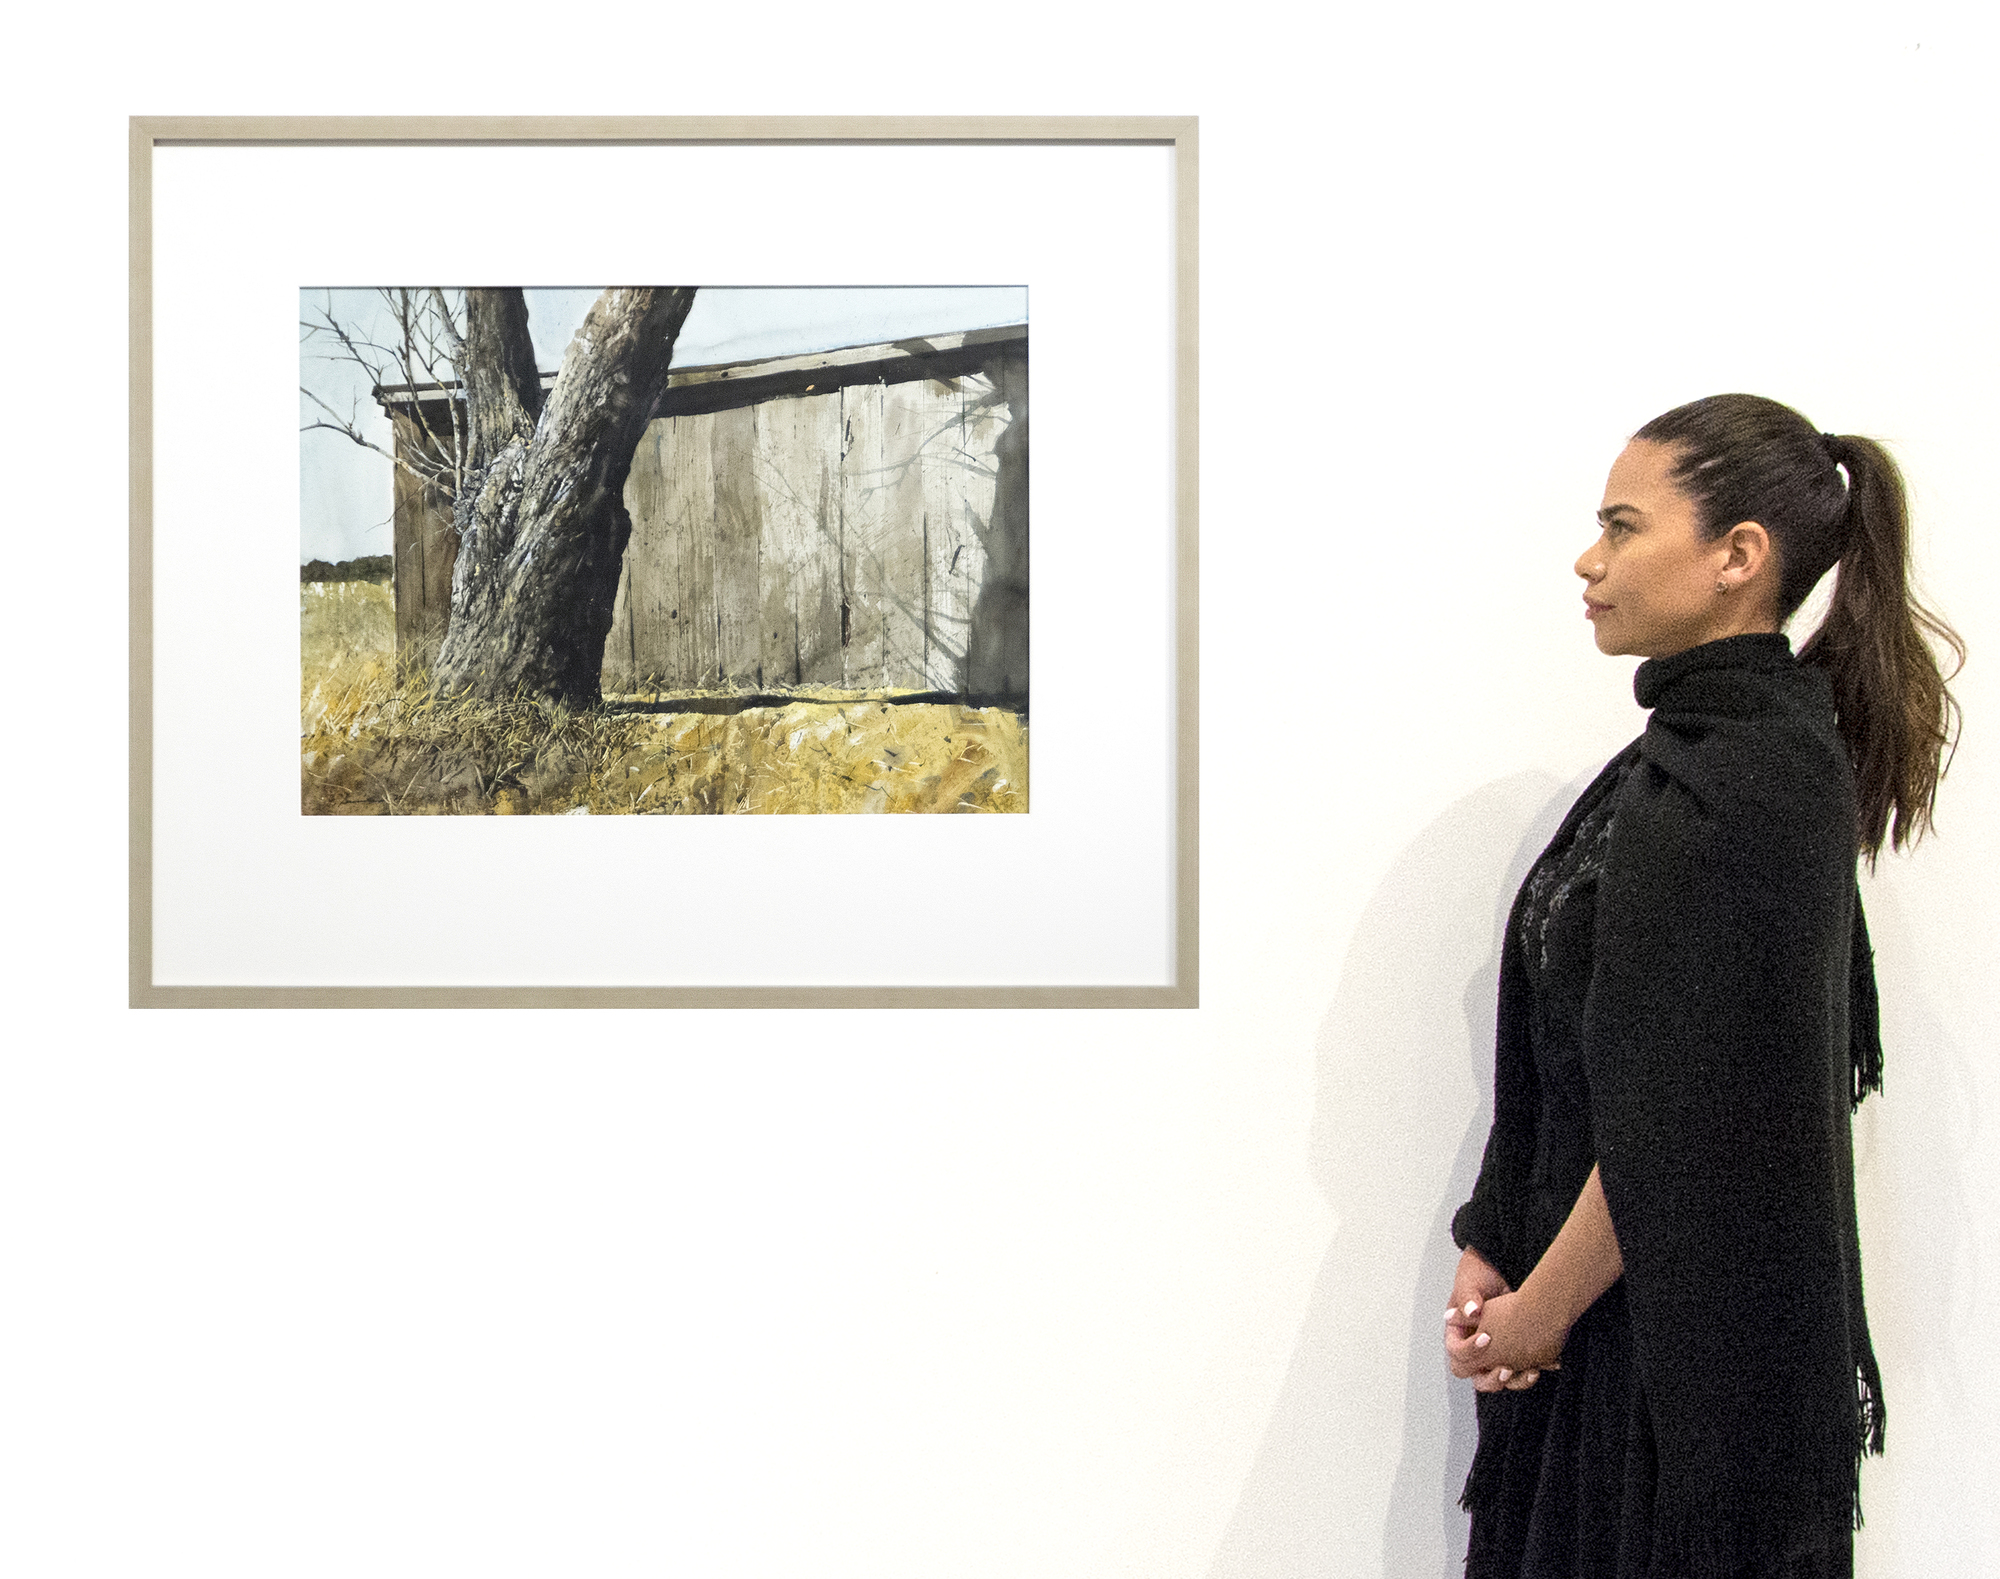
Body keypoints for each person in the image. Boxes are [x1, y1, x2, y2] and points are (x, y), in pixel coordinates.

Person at [1441, 394, 1962, 1578]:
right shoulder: (1665, 766)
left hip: (1684, 1382)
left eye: (1622, 526)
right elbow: (1585, 1048)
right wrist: (1496, 1235)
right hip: (1612, 1340)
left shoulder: (1755, 776)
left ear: (1738, 556)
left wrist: (1542, 1310)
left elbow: (1692, 1116)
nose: (1589, 558)